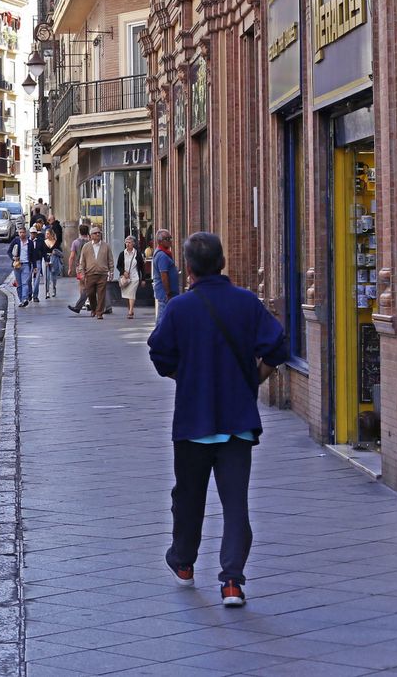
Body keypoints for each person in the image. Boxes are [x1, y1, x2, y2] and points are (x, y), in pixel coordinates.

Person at [147, 232, 289, 607]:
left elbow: (159, 354)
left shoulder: (179, 308)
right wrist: (255, 378)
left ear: (188, 268)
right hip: (237, 422)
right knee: (236, 503)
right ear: (223, 263)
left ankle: (183, 562)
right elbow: (278, 346)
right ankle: (232, 582)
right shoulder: (247, 303)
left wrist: (184, 375)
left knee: (188, 498)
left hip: (193, 420)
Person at [78, 226, 116, 319]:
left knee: (101, 294)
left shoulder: (106, 246)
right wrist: (82, 272)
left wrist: (111, 271)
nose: (98, 234)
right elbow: (82, 261)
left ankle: (99, 313)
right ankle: (94, 309)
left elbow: (110, 260)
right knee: (90, 293)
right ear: (91, 236)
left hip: (102, 273)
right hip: (90, 273)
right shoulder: (86, 247)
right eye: (95, 233)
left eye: (99, 233)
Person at [9, 226, 40, 306]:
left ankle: (25, 299)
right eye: (20, 232)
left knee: (25, 283)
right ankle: (20, 300)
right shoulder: (16, 241)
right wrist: (13, 258)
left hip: (26, 264)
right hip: (17, 265)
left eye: (23, 232)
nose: (22, 234)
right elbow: (9, 251)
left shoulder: (29, 243)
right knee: (19, 284)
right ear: (18, 233)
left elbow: (33, 255)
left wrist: (35, 266)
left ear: (26, 233)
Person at [153, 229, 179, 318]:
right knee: (162, 318)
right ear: (160, 241)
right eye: (167, 239)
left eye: (170, 238)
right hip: (165, 295)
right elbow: (164, 275)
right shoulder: (162, 256)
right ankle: (159, 332)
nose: (170, 241)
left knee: (166, 317)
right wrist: (168, 293)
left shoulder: (164, 254)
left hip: (167, 294)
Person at [117, 234, 144, 319]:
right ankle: (130, 308)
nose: (128, 244)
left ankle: (130, 311)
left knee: (131, 294)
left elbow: (142, 267)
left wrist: (143, 279)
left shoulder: (137, 254)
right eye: (126, 242)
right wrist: (123, 272)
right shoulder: (122, 254)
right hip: (126, 278)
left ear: (133, 244)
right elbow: (118, 265)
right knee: (127, 295)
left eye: (129, 242)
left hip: (135, 277)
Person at [66, 223, 91, 313]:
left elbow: (72, 256)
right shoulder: (90, 241)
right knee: (89, 283)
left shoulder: (75, 242)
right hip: (90, 266)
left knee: (82, 284)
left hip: (80, 266)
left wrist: (69, 268)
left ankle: (83, 302)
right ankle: (88, 301)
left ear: (79, 231)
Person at [42, 222, 62, 299]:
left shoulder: (56, 243)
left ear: (51, 234)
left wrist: (56, 252)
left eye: (48, 234)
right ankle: (47, 292)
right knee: (46, 277)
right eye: (46, 234)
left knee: (53, 277)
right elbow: (41, 252)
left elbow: (61, 253)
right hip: (46, 260)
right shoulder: (44, 242)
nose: (46, 235)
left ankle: (54, 288)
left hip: (54, 260)